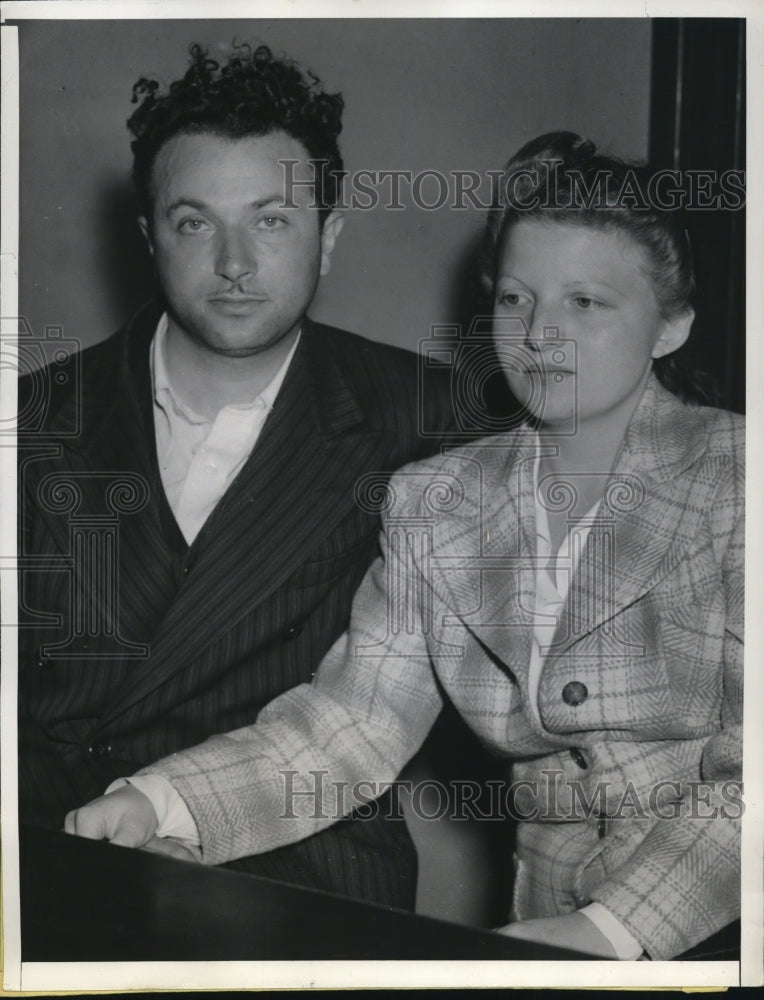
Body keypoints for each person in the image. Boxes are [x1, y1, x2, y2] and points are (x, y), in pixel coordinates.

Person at [65, 132, 744, 960]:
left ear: (670, 326)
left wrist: (610, 930)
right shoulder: (437, 499)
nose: (540, 336)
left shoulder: (736, 480)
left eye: (586, 304)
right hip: (547, 931)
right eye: (516, 300)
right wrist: (161, 801)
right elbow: (349, 728)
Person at [17, 41, 461, 910]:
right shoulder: (29, 418)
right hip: (57, 860)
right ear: (149, 237)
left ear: (327, 238)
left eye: (270, 220)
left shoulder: (432, 417)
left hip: (306, 876)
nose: (233, 263)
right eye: (194, 222)